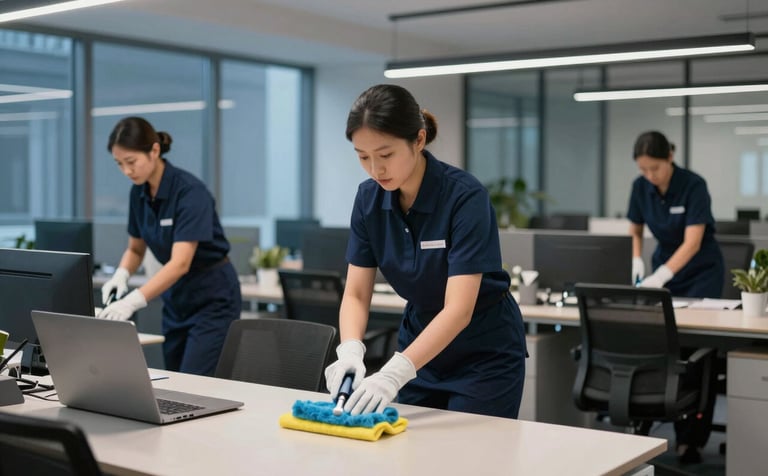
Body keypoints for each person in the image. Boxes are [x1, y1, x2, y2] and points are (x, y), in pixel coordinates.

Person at [324, 84, 527, 418]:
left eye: (386, 155)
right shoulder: (367, 199)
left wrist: (394, 373)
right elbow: (357, 294)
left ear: (418, 140)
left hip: (483, 354)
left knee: (474, 460)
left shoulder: (464, 197)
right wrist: (349, 350)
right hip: (420, 348)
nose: (376, 170)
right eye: (363, 157)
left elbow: (459, 309)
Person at [99, 116, 242, 377]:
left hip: (212, 298)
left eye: (131, 162)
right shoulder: (139, 192)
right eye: (119, 164)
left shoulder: (189, 192)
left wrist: (132, 301)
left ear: (154, 150)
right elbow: (135, 249)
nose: (127, 171)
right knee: (175, 379)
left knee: (195, 381)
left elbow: (180, 263)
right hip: (176, 299)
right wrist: (121, 275)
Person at [627, 130, 723, 463]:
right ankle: (645, 426)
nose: (650, 176)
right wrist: (637, 258)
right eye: (643, 170)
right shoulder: (641, 188)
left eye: (655, 168)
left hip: (700, 275)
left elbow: (693, 242)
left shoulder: (693, 185)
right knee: (659, 345)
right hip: (661, 271)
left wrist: (663, 276)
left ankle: (690, 440)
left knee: (696, 351)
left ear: (670, 156)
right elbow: (635, 228)